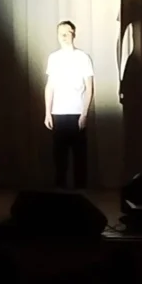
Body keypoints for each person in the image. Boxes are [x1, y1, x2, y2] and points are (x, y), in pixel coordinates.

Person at [44, 20, 95, 189]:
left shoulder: (83, 58)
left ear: (74, 34)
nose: (64, 37)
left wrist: (84, 113)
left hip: (77, 113)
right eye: (61, 34)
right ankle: (61, 192)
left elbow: (89, 88)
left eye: (67, 33)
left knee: (80, 157)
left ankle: (81, 192)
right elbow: (50, 86)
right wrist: (47, 112)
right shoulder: (54, 58)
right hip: (58, 113)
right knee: (59, 158)